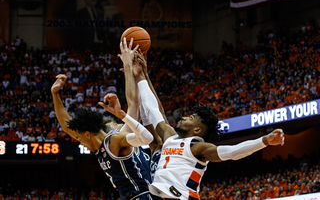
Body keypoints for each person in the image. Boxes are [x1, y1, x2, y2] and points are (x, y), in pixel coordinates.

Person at [133, 55, 285, 200]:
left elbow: (232, 152)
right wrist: (140, 75)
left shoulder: (198, 148)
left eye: (191, 118)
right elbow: (152, 109)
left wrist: (264, 141)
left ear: (197, 130)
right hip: (161, 194)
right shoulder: (169, 137)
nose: (184, 117)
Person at [51, 39, 154, 200]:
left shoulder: (115, 140)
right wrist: (55, 94)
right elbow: (66, 126)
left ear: (88, 133)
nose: (79, 141)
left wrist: (127, 66)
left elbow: (134, 104)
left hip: (142, 196)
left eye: (79, 138)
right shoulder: (105, 145)